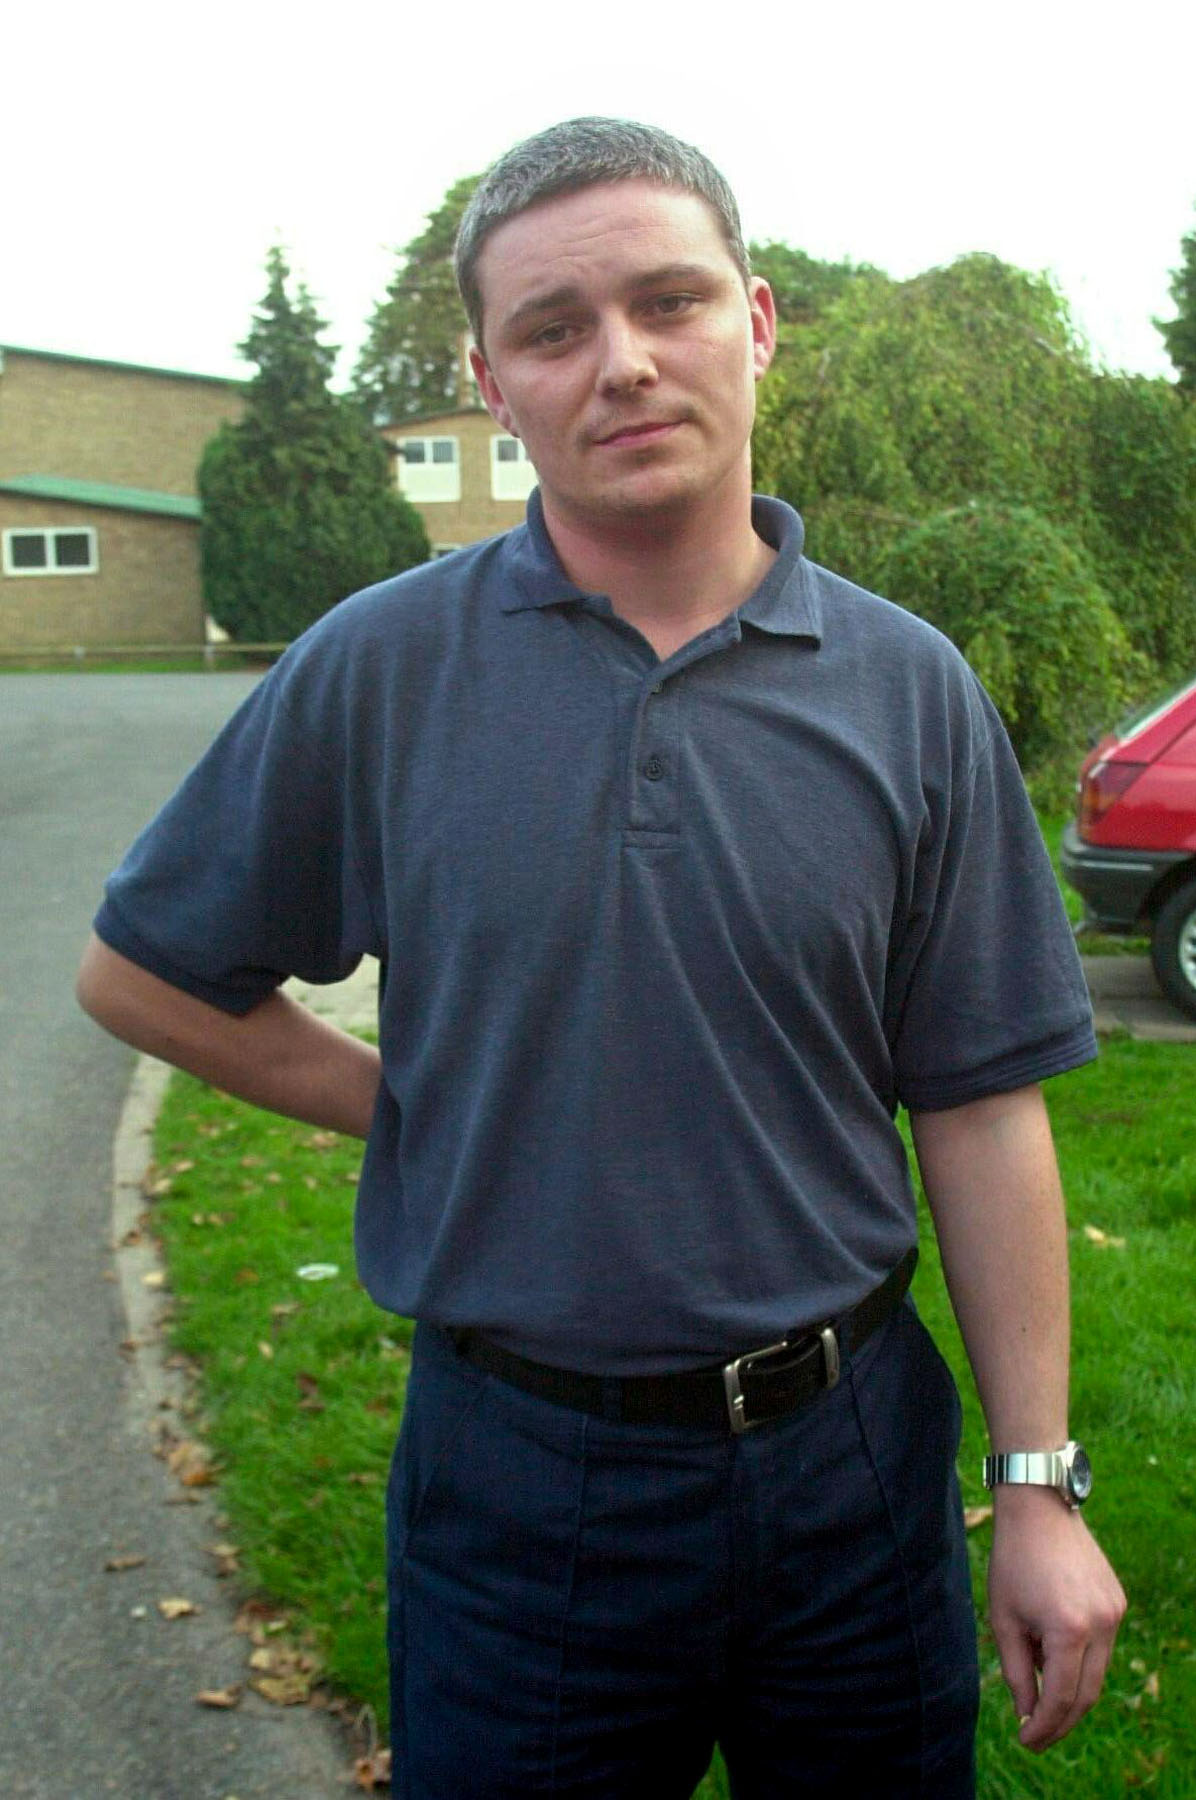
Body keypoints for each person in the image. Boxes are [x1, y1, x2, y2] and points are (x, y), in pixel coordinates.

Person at [77, 117, 1125, 1797]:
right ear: (494, 382)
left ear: (758, 321)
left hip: (853, 1461)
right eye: (555, 330)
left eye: (670, 302)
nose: (622, 364)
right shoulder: (380, 672)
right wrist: (414, 1105)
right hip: (521, 1481)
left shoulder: (908, 691)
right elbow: (142, 975)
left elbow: (985, 1105)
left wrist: (1042, 1491)